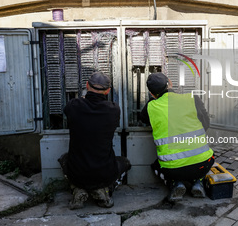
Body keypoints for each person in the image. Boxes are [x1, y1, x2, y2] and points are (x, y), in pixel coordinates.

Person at [59, 71, 131, 209]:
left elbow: (69, 110)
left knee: (64, 159)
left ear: (86, 85)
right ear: (108, 91)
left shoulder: (74, 105)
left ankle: (78, 189)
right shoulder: (114, 109)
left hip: (77, 172)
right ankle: (103, 190)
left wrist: (83, 98)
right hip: (104, 171)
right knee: (125, 163)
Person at [140, 72, 214, 202]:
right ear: (170, 83)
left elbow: (143, 119)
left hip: (172, 169)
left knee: (156, 166)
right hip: (202, 164)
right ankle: (198, 182)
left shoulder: (150, 107)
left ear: (152, 94)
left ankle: (175, 184)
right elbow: (206, 124)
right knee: (208, 160)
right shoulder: (192, 98)